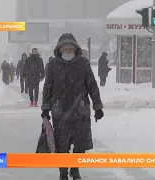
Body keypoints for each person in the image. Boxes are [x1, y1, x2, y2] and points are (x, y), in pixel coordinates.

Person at [41, 33, 104, 180]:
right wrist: (45, 108)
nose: (68, 52)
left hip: (80, 111)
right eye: (65, 49)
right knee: (62, 146)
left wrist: (98, 106)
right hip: (60, 112)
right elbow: (47, 87)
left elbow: (92, 85)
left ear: (75, 50)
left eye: (71, 49)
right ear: (60, 50)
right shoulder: (52, 65)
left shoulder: (83, 64)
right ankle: (63, 172)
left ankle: (75, 169)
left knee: (80, 144)